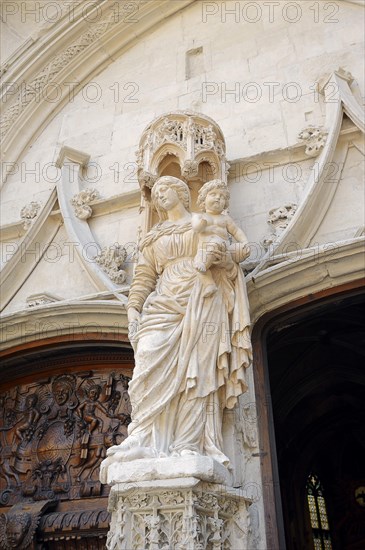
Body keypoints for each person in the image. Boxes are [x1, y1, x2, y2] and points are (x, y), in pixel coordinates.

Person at [103, 176, 252, 471]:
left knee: (197, 374)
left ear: (182, 194)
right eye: (156, 193)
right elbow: (144, 277)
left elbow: (228, 255)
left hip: (203, 298)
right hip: (163, 301)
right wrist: (134, 309)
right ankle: (143, 435)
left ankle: (187, 443)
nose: (159, 196)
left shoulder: (204, 220)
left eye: (165, 190)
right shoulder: (153, 237)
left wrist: (221, 256)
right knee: (147, 357)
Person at [192, 179, 250, 297]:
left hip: (223, 248)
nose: (218, 198)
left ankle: (206, 266)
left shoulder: (225, 218)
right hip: (204, 250)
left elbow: (236, 231)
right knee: (198, 266)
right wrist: (201, 223)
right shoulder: (199, 216)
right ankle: (209, 285)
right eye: (213, 194)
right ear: (204, 199)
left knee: (238, 248)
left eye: (222, 197)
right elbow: (196, 228)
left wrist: (244, 242)